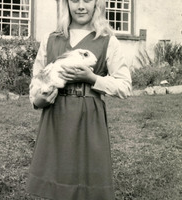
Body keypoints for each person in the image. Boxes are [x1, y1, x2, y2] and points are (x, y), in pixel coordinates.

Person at [26, 0, 132, 199]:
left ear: (97, 4)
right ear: (66, 3)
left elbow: (125, 87)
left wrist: (91, 78)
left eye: (87, 0)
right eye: (75, 0)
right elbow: (36, 83)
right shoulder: (51, 39)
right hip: (55, 118)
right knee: (57, 186)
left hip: (89, 120)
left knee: (87, 187)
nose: (81, 6)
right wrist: (39, 100)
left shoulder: (107, 40)